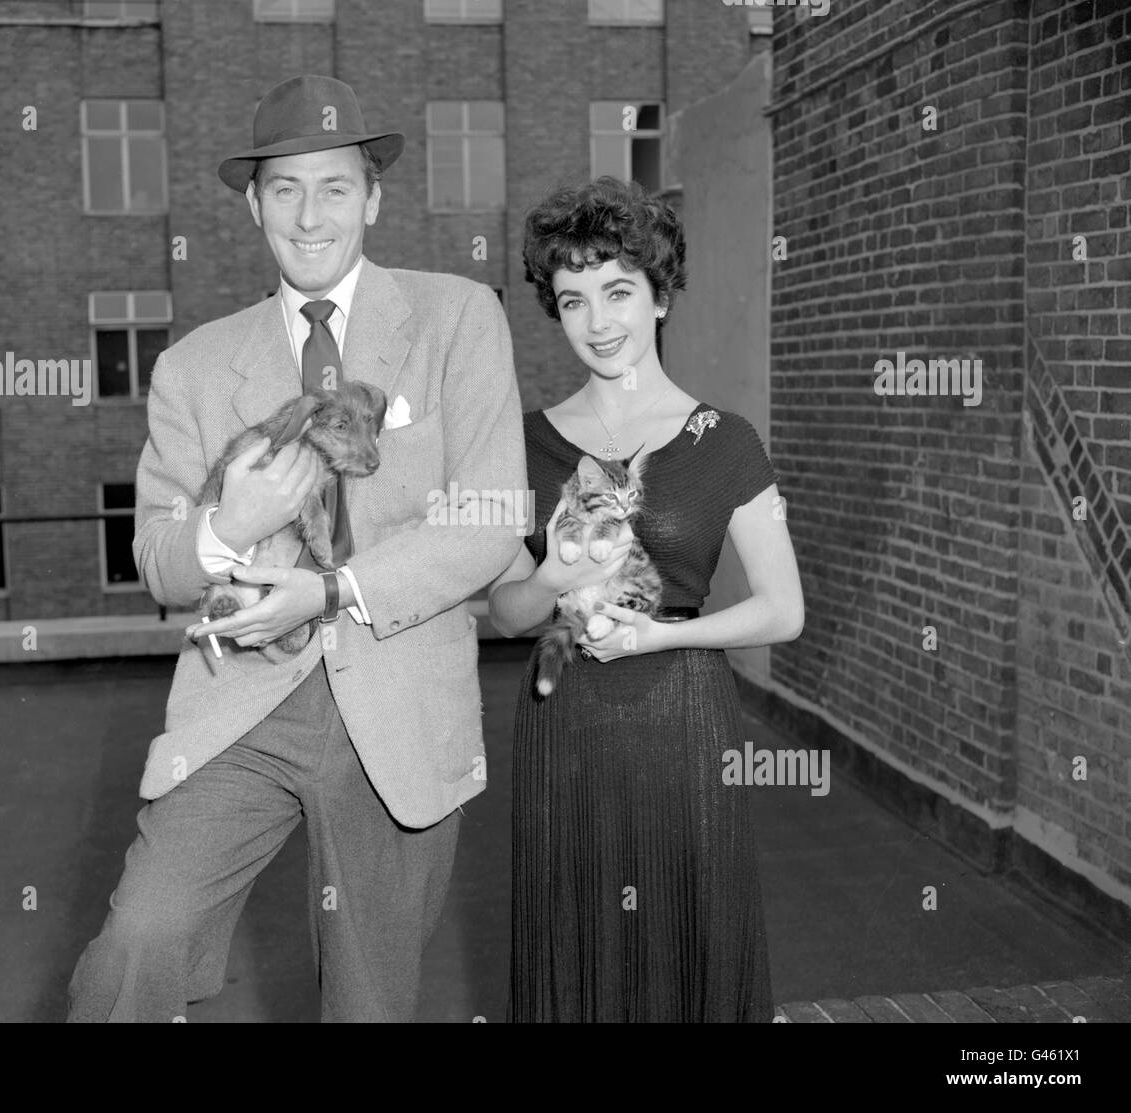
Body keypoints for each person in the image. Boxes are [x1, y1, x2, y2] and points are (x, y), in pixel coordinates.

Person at [67, 75, 525, 1023]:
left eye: (333, 186)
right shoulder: (193, 365)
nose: (309, 214)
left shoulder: (456, 319)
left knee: (370, 1003)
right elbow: (156, 557)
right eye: (284, 189)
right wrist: (227, 525)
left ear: (373, 196)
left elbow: (491, 518)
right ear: (252, 203)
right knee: (137, 943)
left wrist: (329, 591)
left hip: (398, 702)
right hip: (243, 700)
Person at [488, 176, 804, 1022]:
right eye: (574, 297)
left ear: (660, 296)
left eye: (619, 290)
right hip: (566, 732)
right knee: (576, 943)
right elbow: (507, 614)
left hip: (684, 723)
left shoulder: (726, 441)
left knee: (687, 937)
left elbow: (783, 610)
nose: (599, 321)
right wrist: (551, 579)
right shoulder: (524, 442)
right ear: (554, 311)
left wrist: (656, 640)